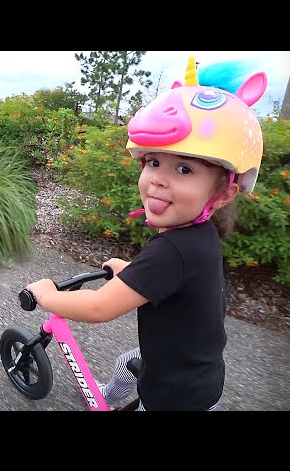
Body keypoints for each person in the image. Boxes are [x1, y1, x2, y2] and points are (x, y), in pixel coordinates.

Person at [25, 57, 268, 410]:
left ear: (224, 193)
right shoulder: (199, 237)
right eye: (153, 162)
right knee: (130, 362)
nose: (157, 177)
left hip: (175, 396)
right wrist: (132, 272)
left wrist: (46, 295)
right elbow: (176, 281)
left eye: (184, 168)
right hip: (194, 368)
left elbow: (97, 306)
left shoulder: (173, 249)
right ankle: (106, 398)